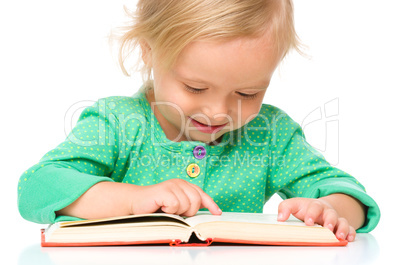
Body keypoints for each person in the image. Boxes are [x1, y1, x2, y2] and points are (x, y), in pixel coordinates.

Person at [18, 0, 380, 242]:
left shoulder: (269, 136)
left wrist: (331, 208)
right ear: (148, 50)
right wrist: (131, 199)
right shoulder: (117, 122)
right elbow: (37, 188)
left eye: (247, 93)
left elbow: (351, 196)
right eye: (195, 87)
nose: (218, 113)